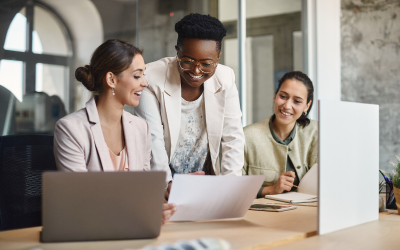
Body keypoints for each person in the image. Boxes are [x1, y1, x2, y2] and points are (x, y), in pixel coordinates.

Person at [53, 39, 175, 224]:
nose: (145, 83)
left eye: (144, 75)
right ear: (111, 79)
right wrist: (140, 214)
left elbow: (142, 194)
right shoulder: (71, 129)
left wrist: (171, 191)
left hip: (135, 232)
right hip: (91, 233)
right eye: (137, 76)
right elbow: (80, 201)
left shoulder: (141, 128)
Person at [135, 14, 245, 193]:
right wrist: (166, 186)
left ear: (218, 57)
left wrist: (231, 189)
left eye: (206, 64)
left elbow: (233, 137)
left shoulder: (225, 78)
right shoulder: (151, 79)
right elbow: (152, 140)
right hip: (164, 185)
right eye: (187, 61)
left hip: (207, 184)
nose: (196, 71)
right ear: (177, 51)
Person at [242, 71, 318, 198]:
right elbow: (232, 189)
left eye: (297, 101)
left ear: (307, 106)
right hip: (262, 215)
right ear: (275, 96)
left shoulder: (317, 133)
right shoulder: (246, 136)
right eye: (283, 96)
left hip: (307, 213)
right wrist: (271, 189)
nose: (287, 106)